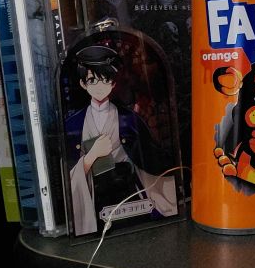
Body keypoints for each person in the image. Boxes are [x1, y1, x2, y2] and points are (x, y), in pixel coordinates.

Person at [65, 44, 177, 235]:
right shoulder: (73, 124)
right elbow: (66, 171)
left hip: (128, 192)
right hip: (94, 195)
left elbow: (151, 157)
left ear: (113, 83)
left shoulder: (129, 119)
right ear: (83, 84)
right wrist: (91, 156)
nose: (99, 87)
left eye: (105, 80)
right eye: (92, 80)